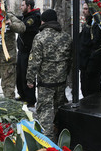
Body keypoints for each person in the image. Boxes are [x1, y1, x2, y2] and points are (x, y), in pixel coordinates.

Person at [26, 9, 72, 139]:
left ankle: (47, 144)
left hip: (46, 83)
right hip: (61, 81)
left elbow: (34, 61)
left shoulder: (40, 37)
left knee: (45, 111)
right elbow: (70, 60)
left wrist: (30, 79)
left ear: (43, 21)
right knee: (58, 109)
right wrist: (65, 75)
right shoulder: (66, 37)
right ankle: (61, 137)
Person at [0, 12, 25, 99]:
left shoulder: (8, 15)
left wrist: (11, 24)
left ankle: (9, 108)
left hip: (8, 61)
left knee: (8, 89)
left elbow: (22, 27)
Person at [79, 3, 101, 97]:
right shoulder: (88, 23)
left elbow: (97, 46)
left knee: (92, 92)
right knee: (85, 90)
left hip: (91, 66)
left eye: (86, 9)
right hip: (85, 65)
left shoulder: (97, 25)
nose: (84, 11)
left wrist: (90, 66)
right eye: (83, 9)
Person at [16, 0, 41, 107]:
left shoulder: (34, 18)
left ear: (28, 6)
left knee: (27, 76)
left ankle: (30, 99)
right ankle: (22, 94)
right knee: (19, 75)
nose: (21, 7)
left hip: (29, 52)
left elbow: (24, 26)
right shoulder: (26, 16)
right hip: (21, 52)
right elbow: (20, 19)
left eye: (22, 5)